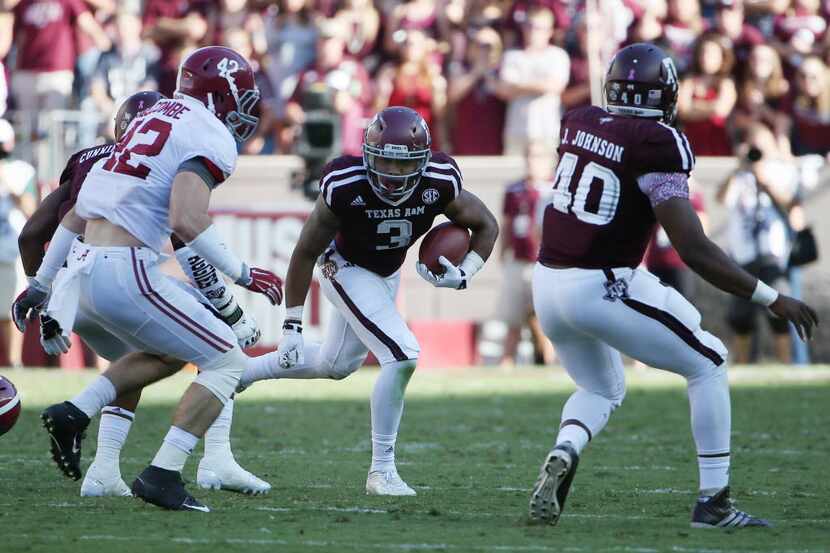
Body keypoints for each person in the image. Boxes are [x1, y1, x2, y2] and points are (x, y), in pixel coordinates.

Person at [528, 43, 817, 529]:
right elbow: (694, 249)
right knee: (709, 362)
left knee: (601, 386)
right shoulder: (659, 142)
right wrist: (772, 296)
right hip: (602, 283)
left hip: (549, 284)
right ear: (665, 94)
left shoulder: (579, 120)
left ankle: (566, 447)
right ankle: (714, 504)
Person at [15, 46, 283, 512]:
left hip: (84, 271)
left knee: (167, 352)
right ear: (221, 95)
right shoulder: (208, 133)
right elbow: (185, 219)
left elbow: (78, 212)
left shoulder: (149, 116)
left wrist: (42, 282)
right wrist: (244, 273)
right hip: (126, 269)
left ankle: (75, 412)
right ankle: (163, 473)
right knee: (227, 359)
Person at [239, 106, 499, 495]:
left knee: (337, 363)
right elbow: (305, 252)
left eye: (402, 164)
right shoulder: (345, 183)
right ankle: (382, 471)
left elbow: (486, 225)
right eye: (384, 162)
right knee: (403, 353)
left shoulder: (440, 181)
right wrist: (291, 325)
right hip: (342, 266)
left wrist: (464, 274)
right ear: (367, 155)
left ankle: (239, 373)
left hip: (386, 273)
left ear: (423, 161)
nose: (393, 175)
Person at [717, 124, 800, 364]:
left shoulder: (780, 171)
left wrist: (765, 181)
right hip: (743, 256)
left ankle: (786, 364)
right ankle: (743, 365)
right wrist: (738, 168)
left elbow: (791, 205)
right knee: (740, 315)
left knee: (779, 311)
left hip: (772, 253)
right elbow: (722, 198)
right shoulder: (739, 176)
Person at [496, 141, 554, 366]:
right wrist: (503, 253)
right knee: (513, 317)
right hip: (519, 260)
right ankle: (507, 361)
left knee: (545, 319)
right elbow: (507, 223)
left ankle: (549, 361)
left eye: (538, 157)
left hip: (545, 264)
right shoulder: (515, 189)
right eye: (530, 156)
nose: (532, 162)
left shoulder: (554, 189)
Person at [4, 0, 111, 115]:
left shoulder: (67, 1)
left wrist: (104, 43)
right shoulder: (25, 3)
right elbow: (14, 33)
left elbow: (86, 22)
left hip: (57, 71)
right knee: (27, 123)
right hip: (27, 71)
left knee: (52, 122)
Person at [497, 7, 569, 155]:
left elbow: (555, 86)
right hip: (517, 130)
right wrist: (541, 84)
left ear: (550, 31)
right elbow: (505, 90)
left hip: (548, 130)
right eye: (529, 26)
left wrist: (519, 86)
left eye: (539, 28)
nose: (533, 31)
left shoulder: (558, 56)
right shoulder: (512, 56)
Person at [0, 119, 36, 368]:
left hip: (11, 246)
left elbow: (31, 209)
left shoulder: (22, 170)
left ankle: (14, 362)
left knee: (11, 309)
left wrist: (9, 186)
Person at [677, 32, 737, 156]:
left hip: (718, 144)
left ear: (722, 57)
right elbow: (683, 111)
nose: (706, 57)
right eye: (703, 53)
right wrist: (711, 107)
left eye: (712, 54)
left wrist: (694, 106)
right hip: (691, 144)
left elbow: (721, 110)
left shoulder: (725, 83)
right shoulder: (689, 81)